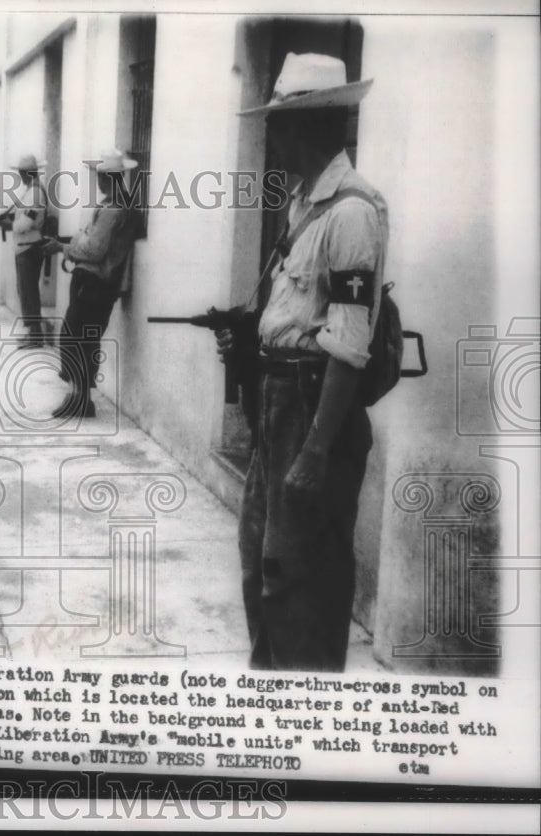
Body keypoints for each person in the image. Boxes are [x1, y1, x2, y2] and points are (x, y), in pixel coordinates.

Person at [219, 52, 388, 672]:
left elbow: (349, 342)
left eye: (279, 125)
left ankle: (307, 721)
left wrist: (316, 450)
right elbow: (298, 310)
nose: (272, 138)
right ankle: (270, 694)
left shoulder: (351, 213)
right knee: (261, 560)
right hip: (281, 398)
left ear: (311, 128)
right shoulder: (305, 204)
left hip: (314, 406)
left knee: (301, 572)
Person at [44, 150, 138, 419]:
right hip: (96, 282)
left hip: (95, 283)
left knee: (76, 338)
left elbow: (94, 248)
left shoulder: (113, 210)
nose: (98, 181)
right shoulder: (115, 205)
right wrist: (75, 245)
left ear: (109, 179)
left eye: (101, 177)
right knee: (82, 339)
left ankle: (80, 399)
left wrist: (68, 248)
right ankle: (79, 397)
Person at [0, 154, 47, 347]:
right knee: (25, 291)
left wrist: (10, 225)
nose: (20, 176)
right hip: (24, 247)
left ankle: (36, 336)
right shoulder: (30, 191)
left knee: (28, 291)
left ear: (27, 173)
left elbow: (28, 221)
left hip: (29, 247)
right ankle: (33, 332)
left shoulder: (35, 193)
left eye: (21, 173)